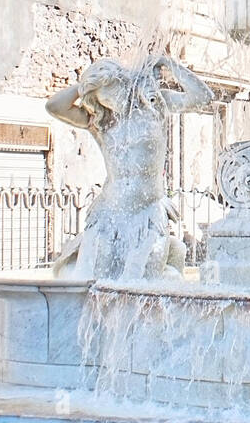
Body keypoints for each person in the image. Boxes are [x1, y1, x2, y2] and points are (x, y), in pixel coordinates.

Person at [45, 54, 212, 280]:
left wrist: (168, 63)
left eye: (116, 93)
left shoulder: (156, 105)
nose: (115, 102)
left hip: (147, 212)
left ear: (124, 82)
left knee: (141, 282)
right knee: (91, 280)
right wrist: (86, 84)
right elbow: (54, 106)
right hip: (108, 214)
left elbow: (203, 97)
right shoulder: (100, 122)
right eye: (106, 99)